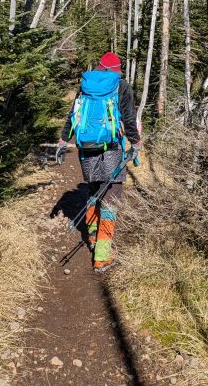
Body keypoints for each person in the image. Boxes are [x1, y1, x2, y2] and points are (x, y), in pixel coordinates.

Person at [56, 52, 141, 273]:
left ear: (99, 67)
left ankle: (92, 237)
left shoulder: (86, 84)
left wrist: (63, 140)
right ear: (117, 70)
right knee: (111, 200)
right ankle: (102, 257)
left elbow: (73, 115)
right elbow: (130, 119)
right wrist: (136, 143)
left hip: (87, 149)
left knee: (94, 191)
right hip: (111, 149)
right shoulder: (122, 87)